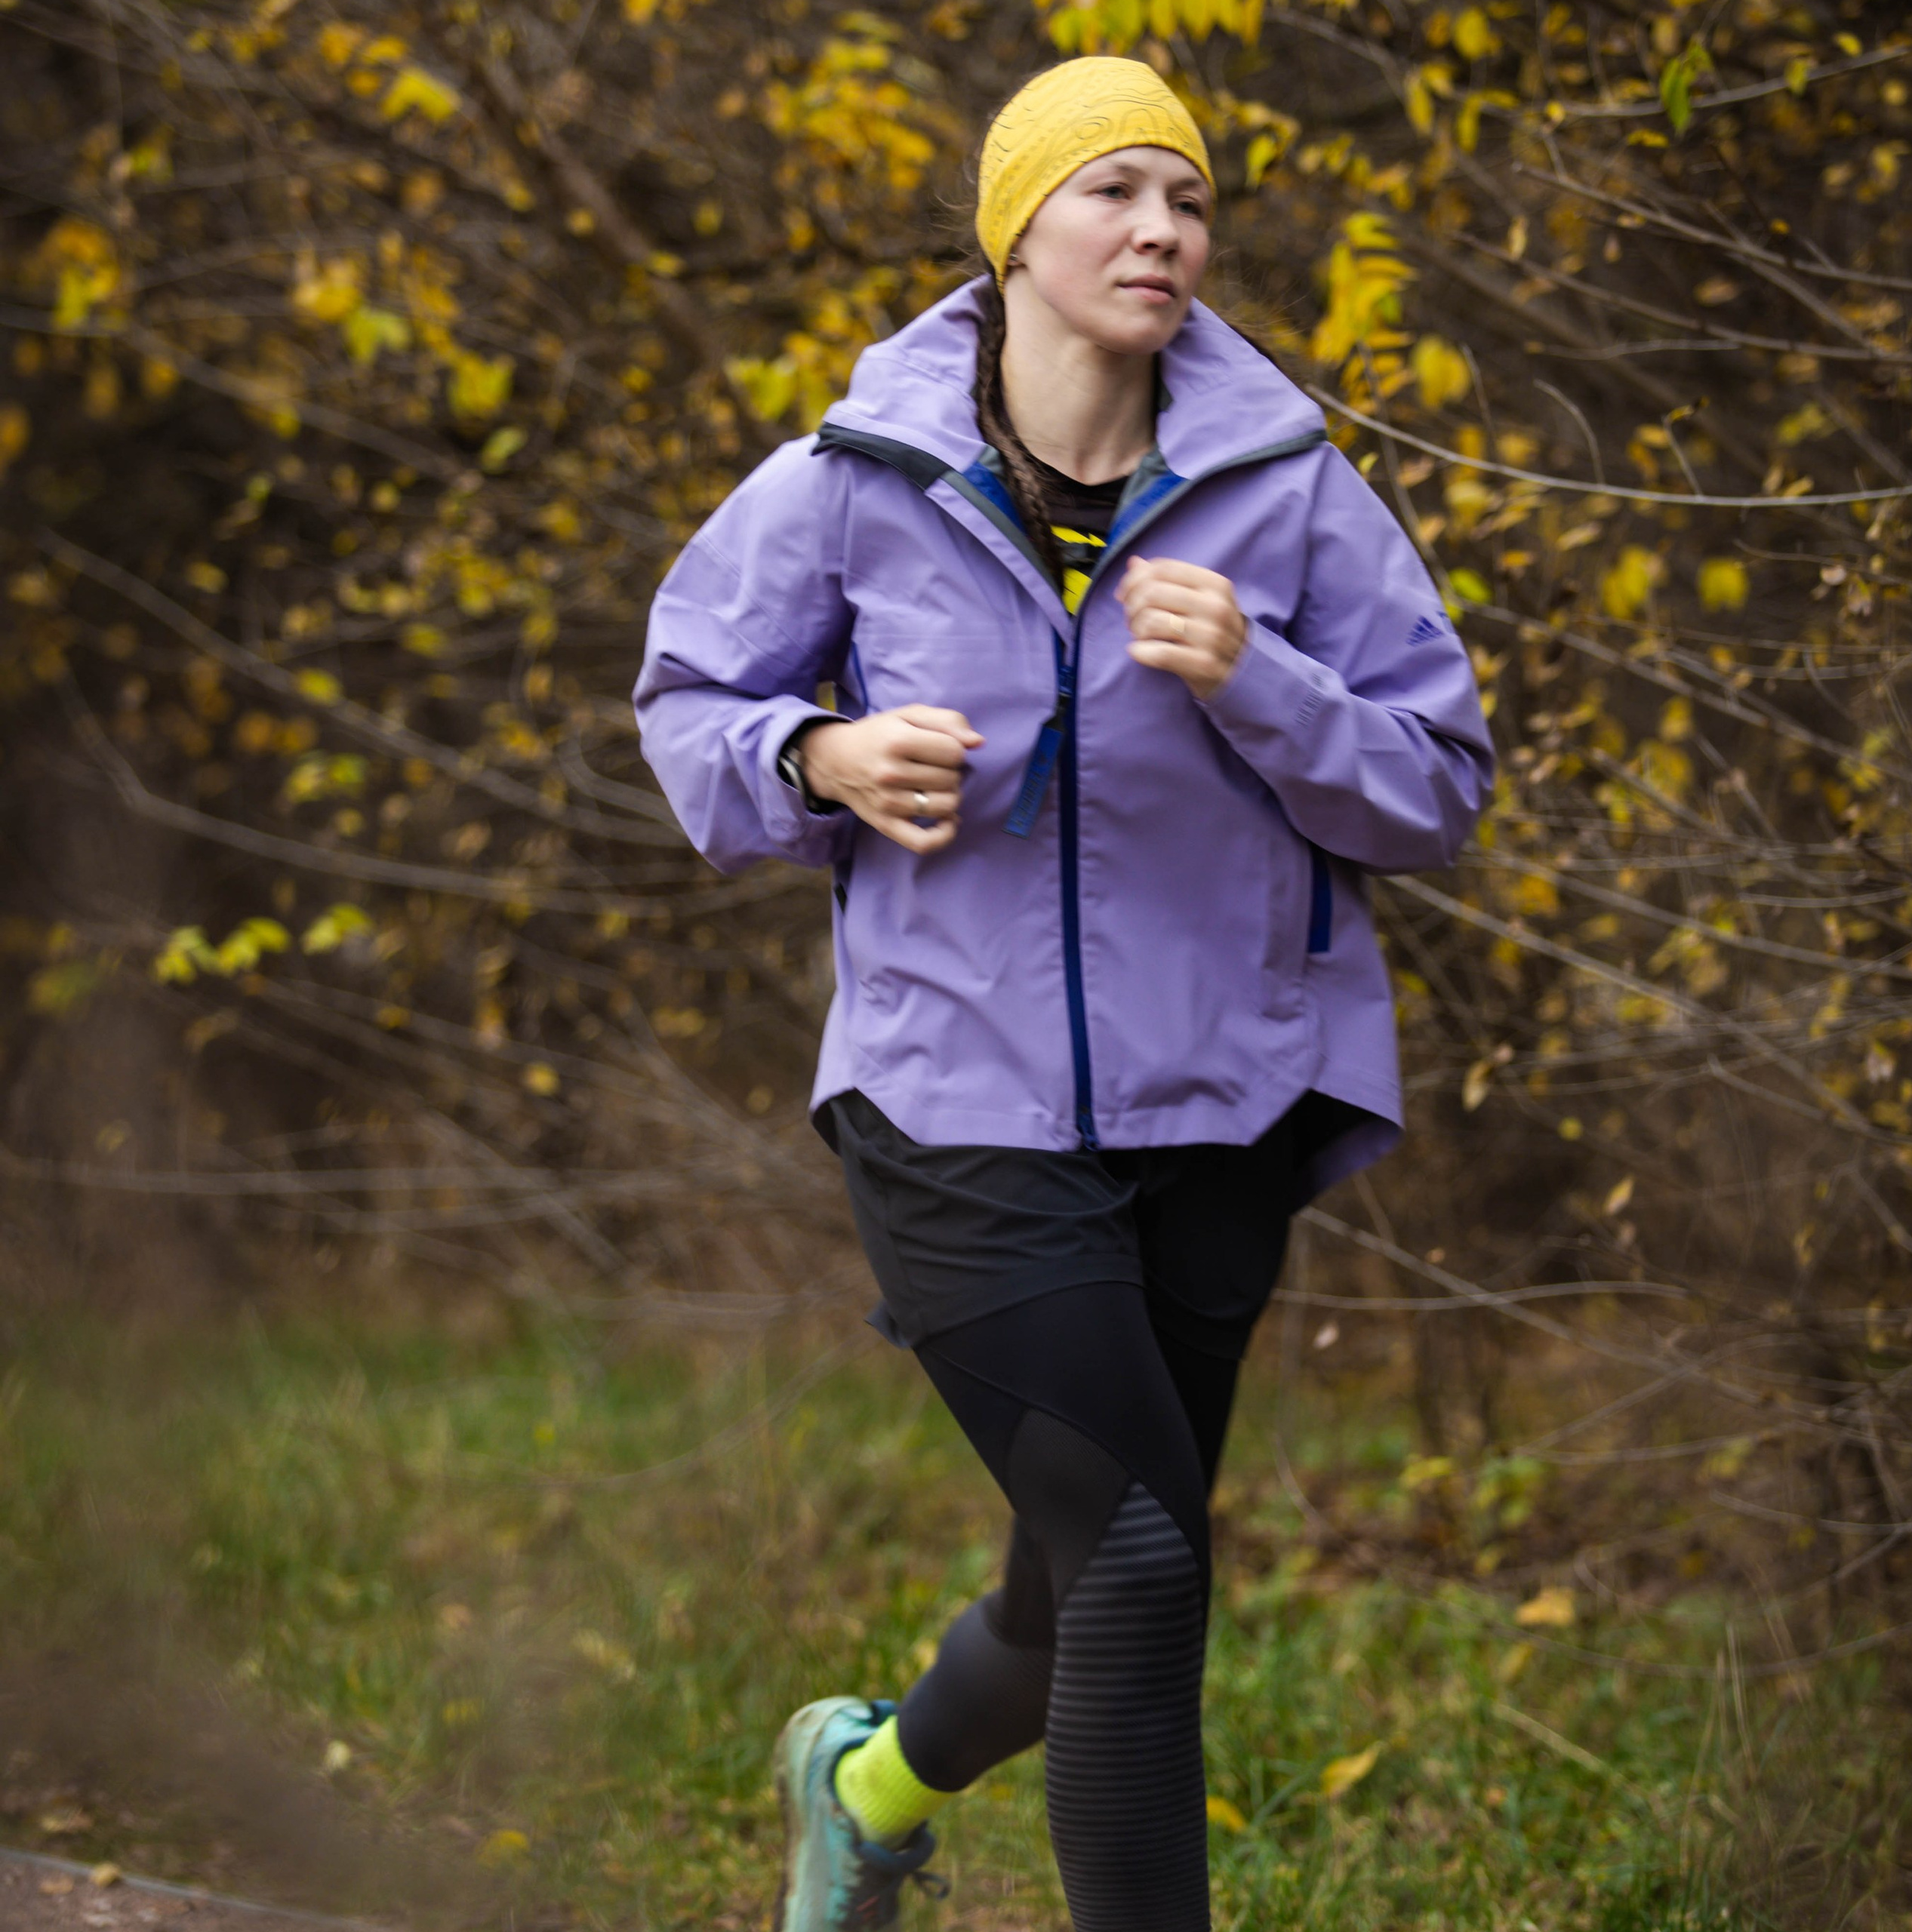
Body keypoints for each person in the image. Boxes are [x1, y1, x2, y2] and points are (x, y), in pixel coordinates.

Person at [633, 54, 1495, 1932]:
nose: (1162, 233)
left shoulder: (1291, 495)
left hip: (1220, 1111)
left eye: (1185, 202)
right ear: (1016, 229)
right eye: (1113, 194)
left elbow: (1436, 785)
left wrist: (1263, 678)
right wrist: (820, 760)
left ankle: (860, 1784)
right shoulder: (852, 482)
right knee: (1133, 1562)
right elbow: (689, 710)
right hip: (952, 1100)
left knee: (1089, 1565)